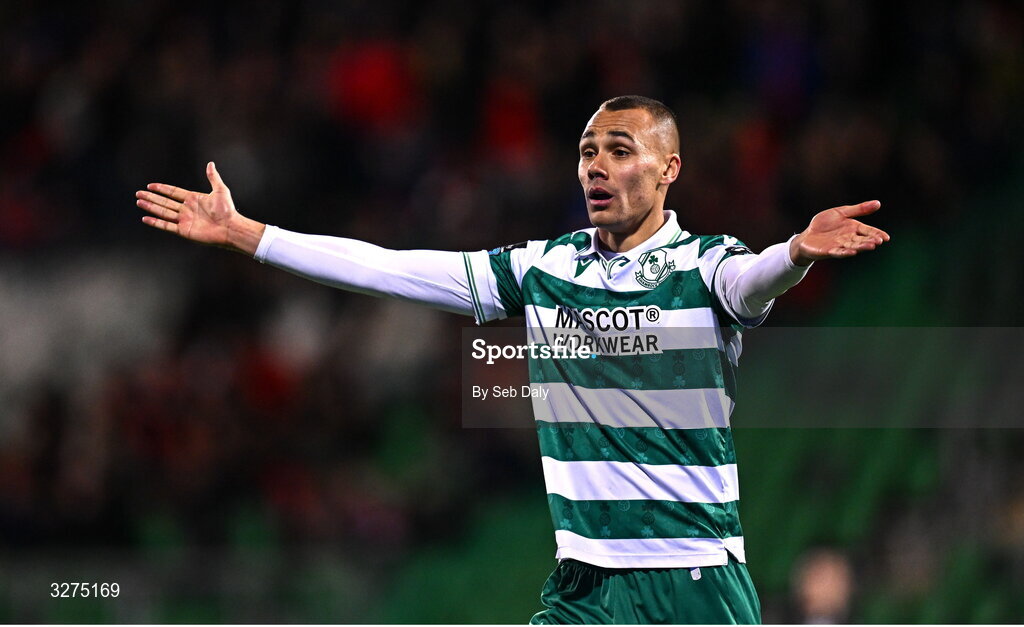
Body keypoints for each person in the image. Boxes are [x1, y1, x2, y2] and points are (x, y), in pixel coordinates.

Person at [136, 95, 889, 624]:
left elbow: (752, 279)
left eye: (620, 151)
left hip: (693, 580)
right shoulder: (544, 268)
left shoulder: (703, 267)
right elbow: (391, 267)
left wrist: (793, 252)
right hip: (584, 584)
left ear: (669, 170)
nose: (596, 165)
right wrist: (251, 234)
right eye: (587, 151)